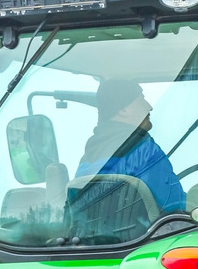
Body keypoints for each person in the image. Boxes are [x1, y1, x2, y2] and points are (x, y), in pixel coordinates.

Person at [75, 80, 186, 214]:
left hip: (94, 235)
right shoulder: (144, 151)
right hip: (155, 234)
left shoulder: (87, 158)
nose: (149, 107)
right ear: (123, 110)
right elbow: (174, 205)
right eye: (141, 99)